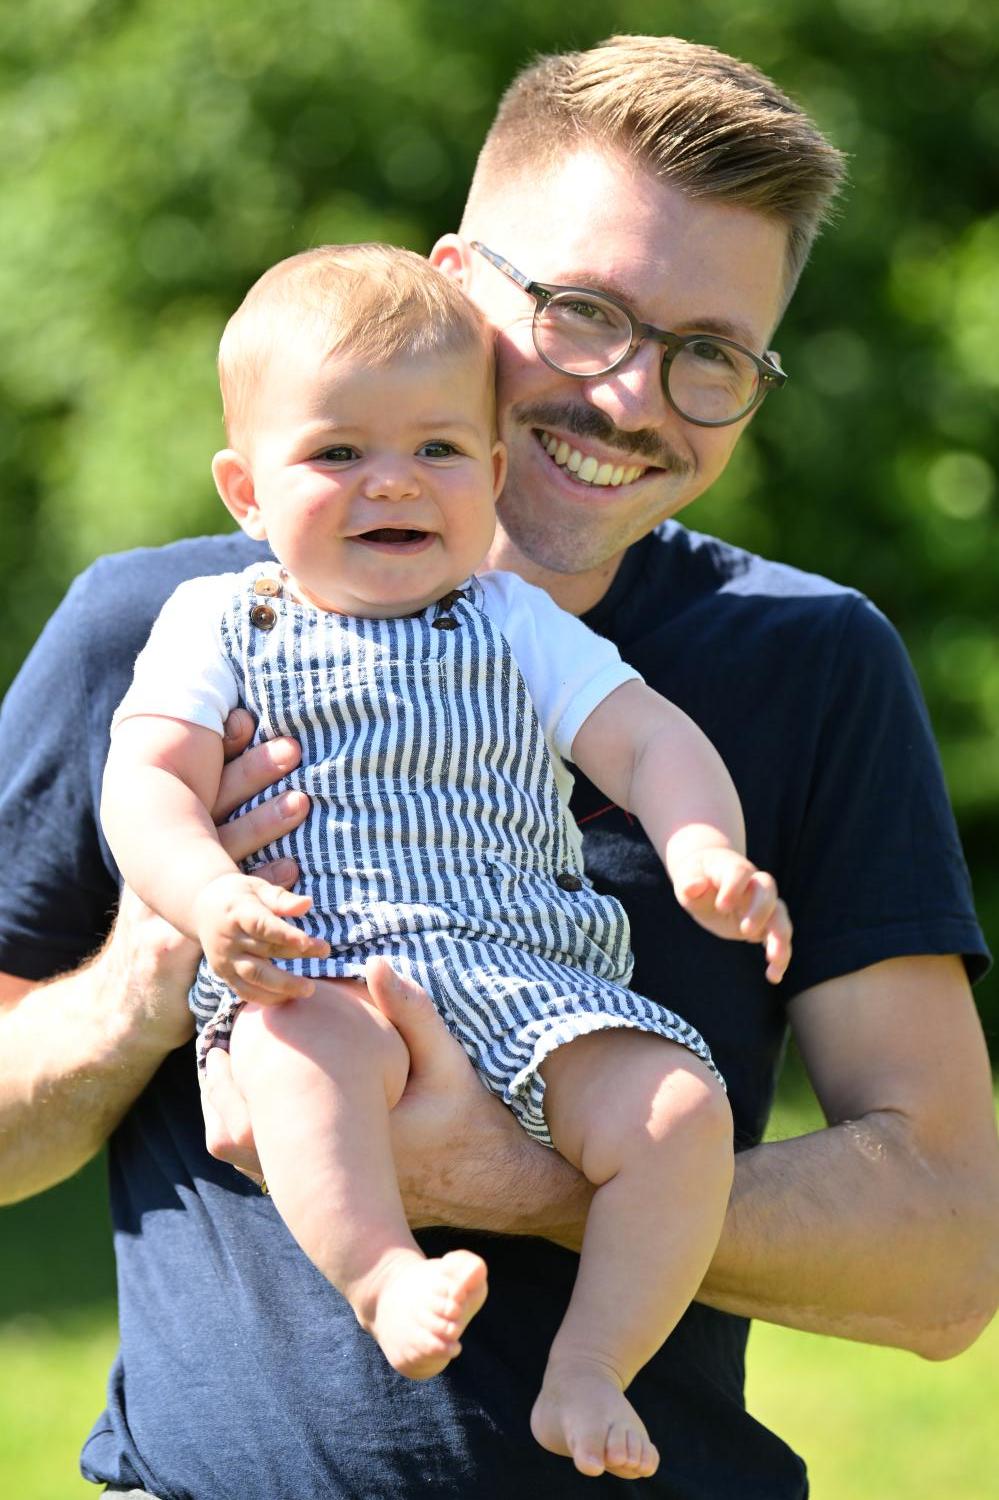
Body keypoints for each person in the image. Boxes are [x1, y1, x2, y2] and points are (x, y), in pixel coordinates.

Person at [0, 33, 995, 1500]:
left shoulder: (805, 660)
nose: (629, 397)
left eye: (706, 354)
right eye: (584, 312)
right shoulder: (163, 634)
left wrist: (516, 1180)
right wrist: (152, 973)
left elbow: (945, 1255)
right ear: (456, 282)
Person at [101, 241, 793, 1481]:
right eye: (337, 454)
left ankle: (589, 1370)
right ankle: (382, 1275)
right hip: (327, 963)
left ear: (486, 471)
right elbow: (145, 780)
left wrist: (703, 849)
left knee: (683, 1115)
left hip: (529, 977)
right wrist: (210, 894)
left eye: (435, 450)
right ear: (245, 491)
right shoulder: (217, 620)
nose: (392, 485)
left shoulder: (512, 620)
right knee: (296, 1052)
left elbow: (645, 738)